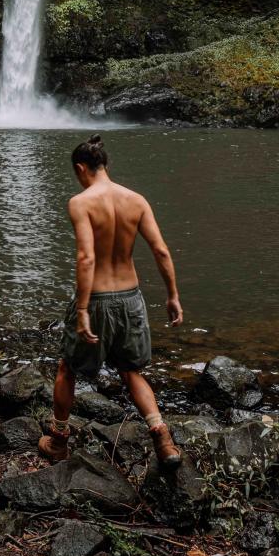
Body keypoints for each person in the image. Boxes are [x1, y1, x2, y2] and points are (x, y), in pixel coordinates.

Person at [39, 135, 184, 467]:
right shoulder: (137, 199)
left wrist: (81, 309)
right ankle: (163, 438)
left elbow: (87, 259)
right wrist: (172, 295)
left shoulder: (81, 202)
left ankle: (58, 441)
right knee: (131, 370)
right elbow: (161, 250)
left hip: (98, 298)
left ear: (81, 168)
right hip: (131, 297)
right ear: (105, 165)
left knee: (67, 368)